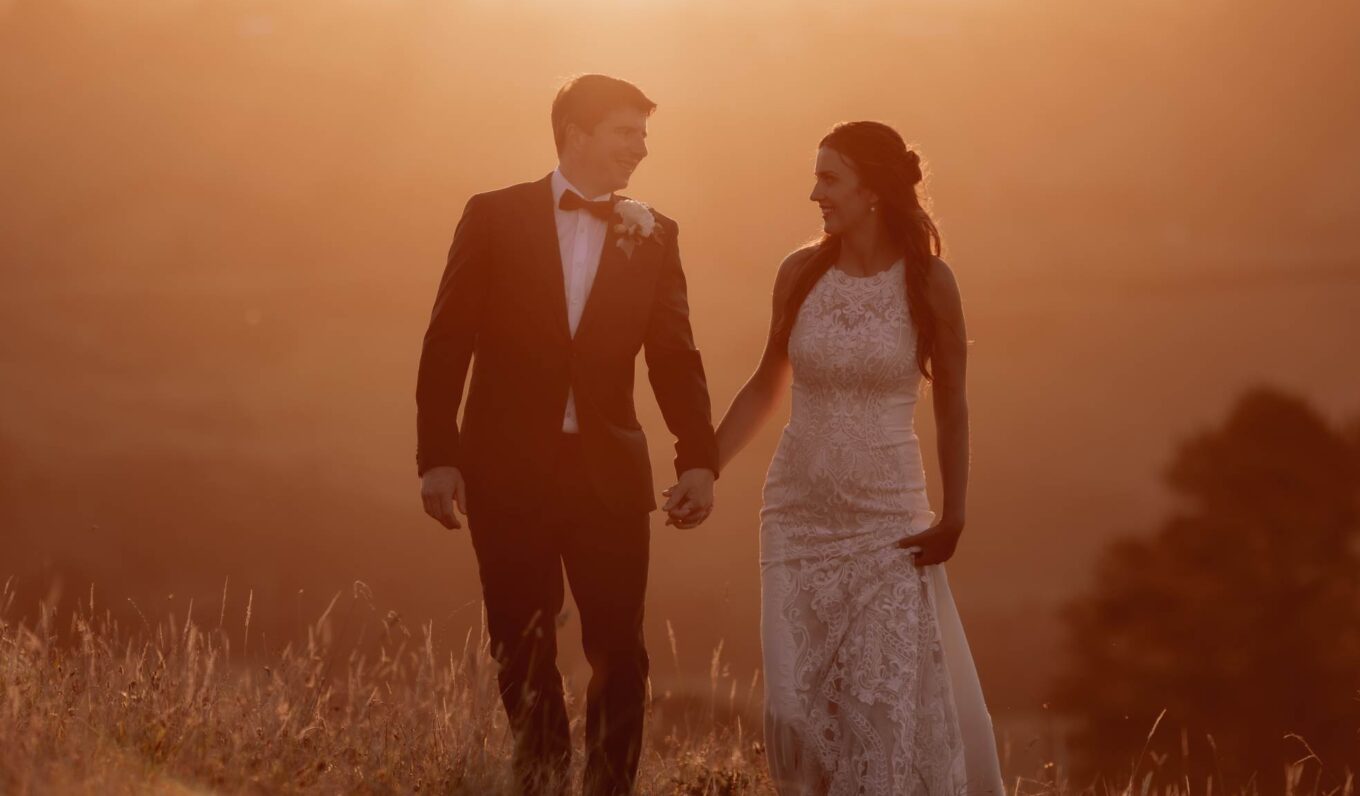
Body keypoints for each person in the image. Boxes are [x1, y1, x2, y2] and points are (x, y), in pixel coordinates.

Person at [414, 74, 718, 796]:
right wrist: (438, 457)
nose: (640, 150)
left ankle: (609, 789)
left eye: (643, 136)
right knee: (521, 646)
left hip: (609, 473)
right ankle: (543, 779)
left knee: (620, 651)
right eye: (626, 133)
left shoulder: (655, 232)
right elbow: (447, 341)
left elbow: (674, 355)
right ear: (575, 135)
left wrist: (698, 458)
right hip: (505, 469)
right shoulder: (492, 216)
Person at [714, 121, 1006, 795]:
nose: (814, 192)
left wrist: (954, 513)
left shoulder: (931, 283)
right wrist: (704, 466)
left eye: (828, 178)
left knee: (880, 710)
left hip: (887, 523)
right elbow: (766, 384)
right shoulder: (800, 272)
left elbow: (953, 406)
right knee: (797, 709)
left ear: (872, 190)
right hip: (795, 517)